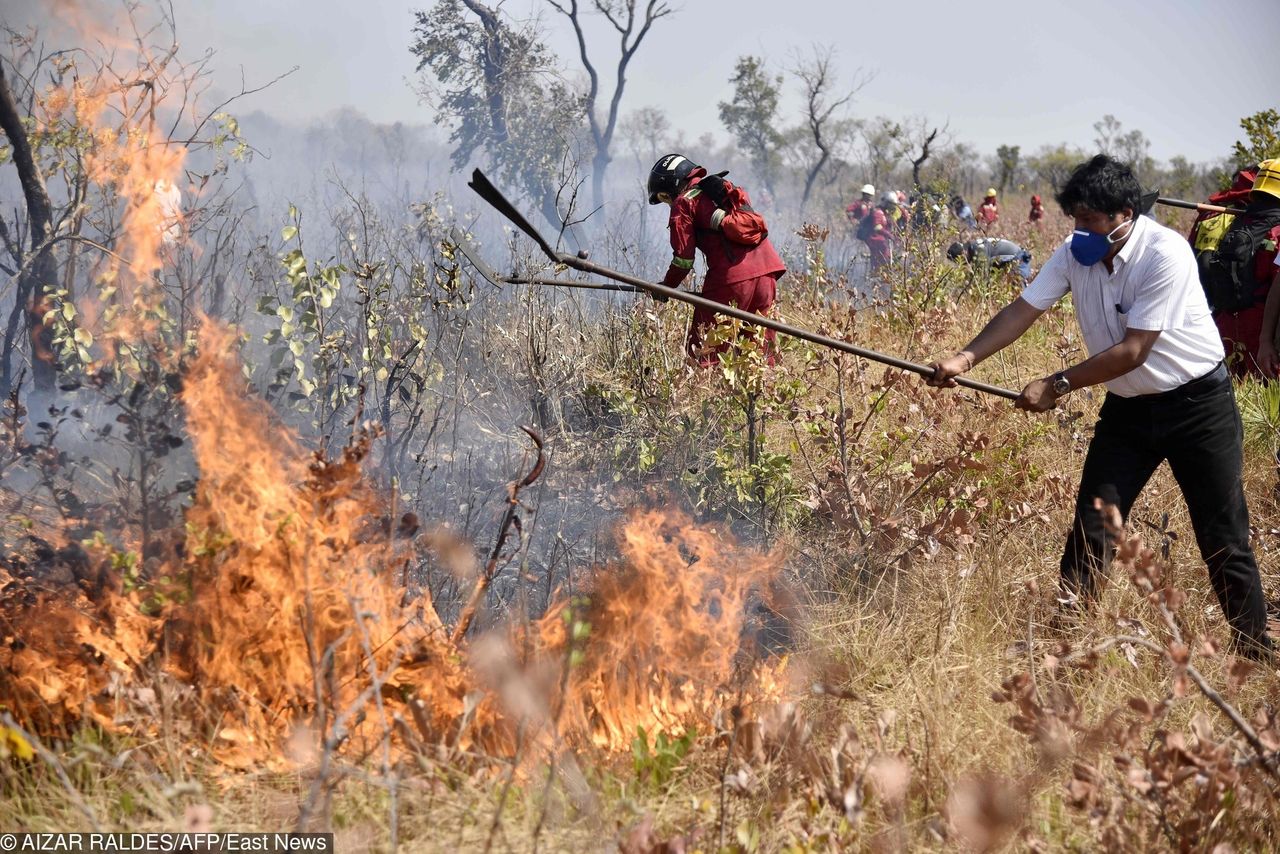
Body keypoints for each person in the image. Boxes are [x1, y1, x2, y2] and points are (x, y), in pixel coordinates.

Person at [927, 154, 1274, 661]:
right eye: (1076, 220)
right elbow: (1025, 309)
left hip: (1198, 407)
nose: (1080, 231)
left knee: (1222, 534)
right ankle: (1065, 643)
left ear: (1124, 214)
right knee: (1094, 525)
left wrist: (1057, 384)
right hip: (1129, 410)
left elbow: (1135, 349)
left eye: (1090, 220)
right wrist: (964, 357)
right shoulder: (1074, 252)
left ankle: (1254, 647)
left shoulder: (1166, 253)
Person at [647, 153, 786, 366]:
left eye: (665, 197)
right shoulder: (725, 189)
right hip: (768, 274)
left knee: (704, 354)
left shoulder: (684, 203)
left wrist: (666, 286)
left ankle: (700, 397)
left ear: (673, 186)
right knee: (759, 354)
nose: (668, 203)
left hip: (731, 282)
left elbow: (683, 260)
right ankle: (761, 397)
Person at [1191, 161, 1280, 378]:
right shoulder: (1276, 230)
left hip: (1224, 328)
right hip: (1260, 334)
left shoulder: (1232, 221)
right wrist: (1268, 341)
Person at [947, 238, 1033, 283]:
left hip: (1019, 259)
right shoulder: (975, 246)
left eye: (959, 260)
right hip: (1012, 258)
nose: (963, 263)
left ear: (963, 253)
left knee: (1023, 293)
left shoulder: (979, 251)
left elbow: (982, 278)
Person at [864, 190, 904, 272]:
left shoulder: (884, 213)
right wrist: (889, 235)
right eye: (892, 204)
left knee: (885, 261)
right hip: (876, 241)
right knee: (882, 262)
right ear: (887, 203)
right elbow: (877, 227)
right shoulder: (878, 212)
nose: (893, 207)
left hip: (881, 242)